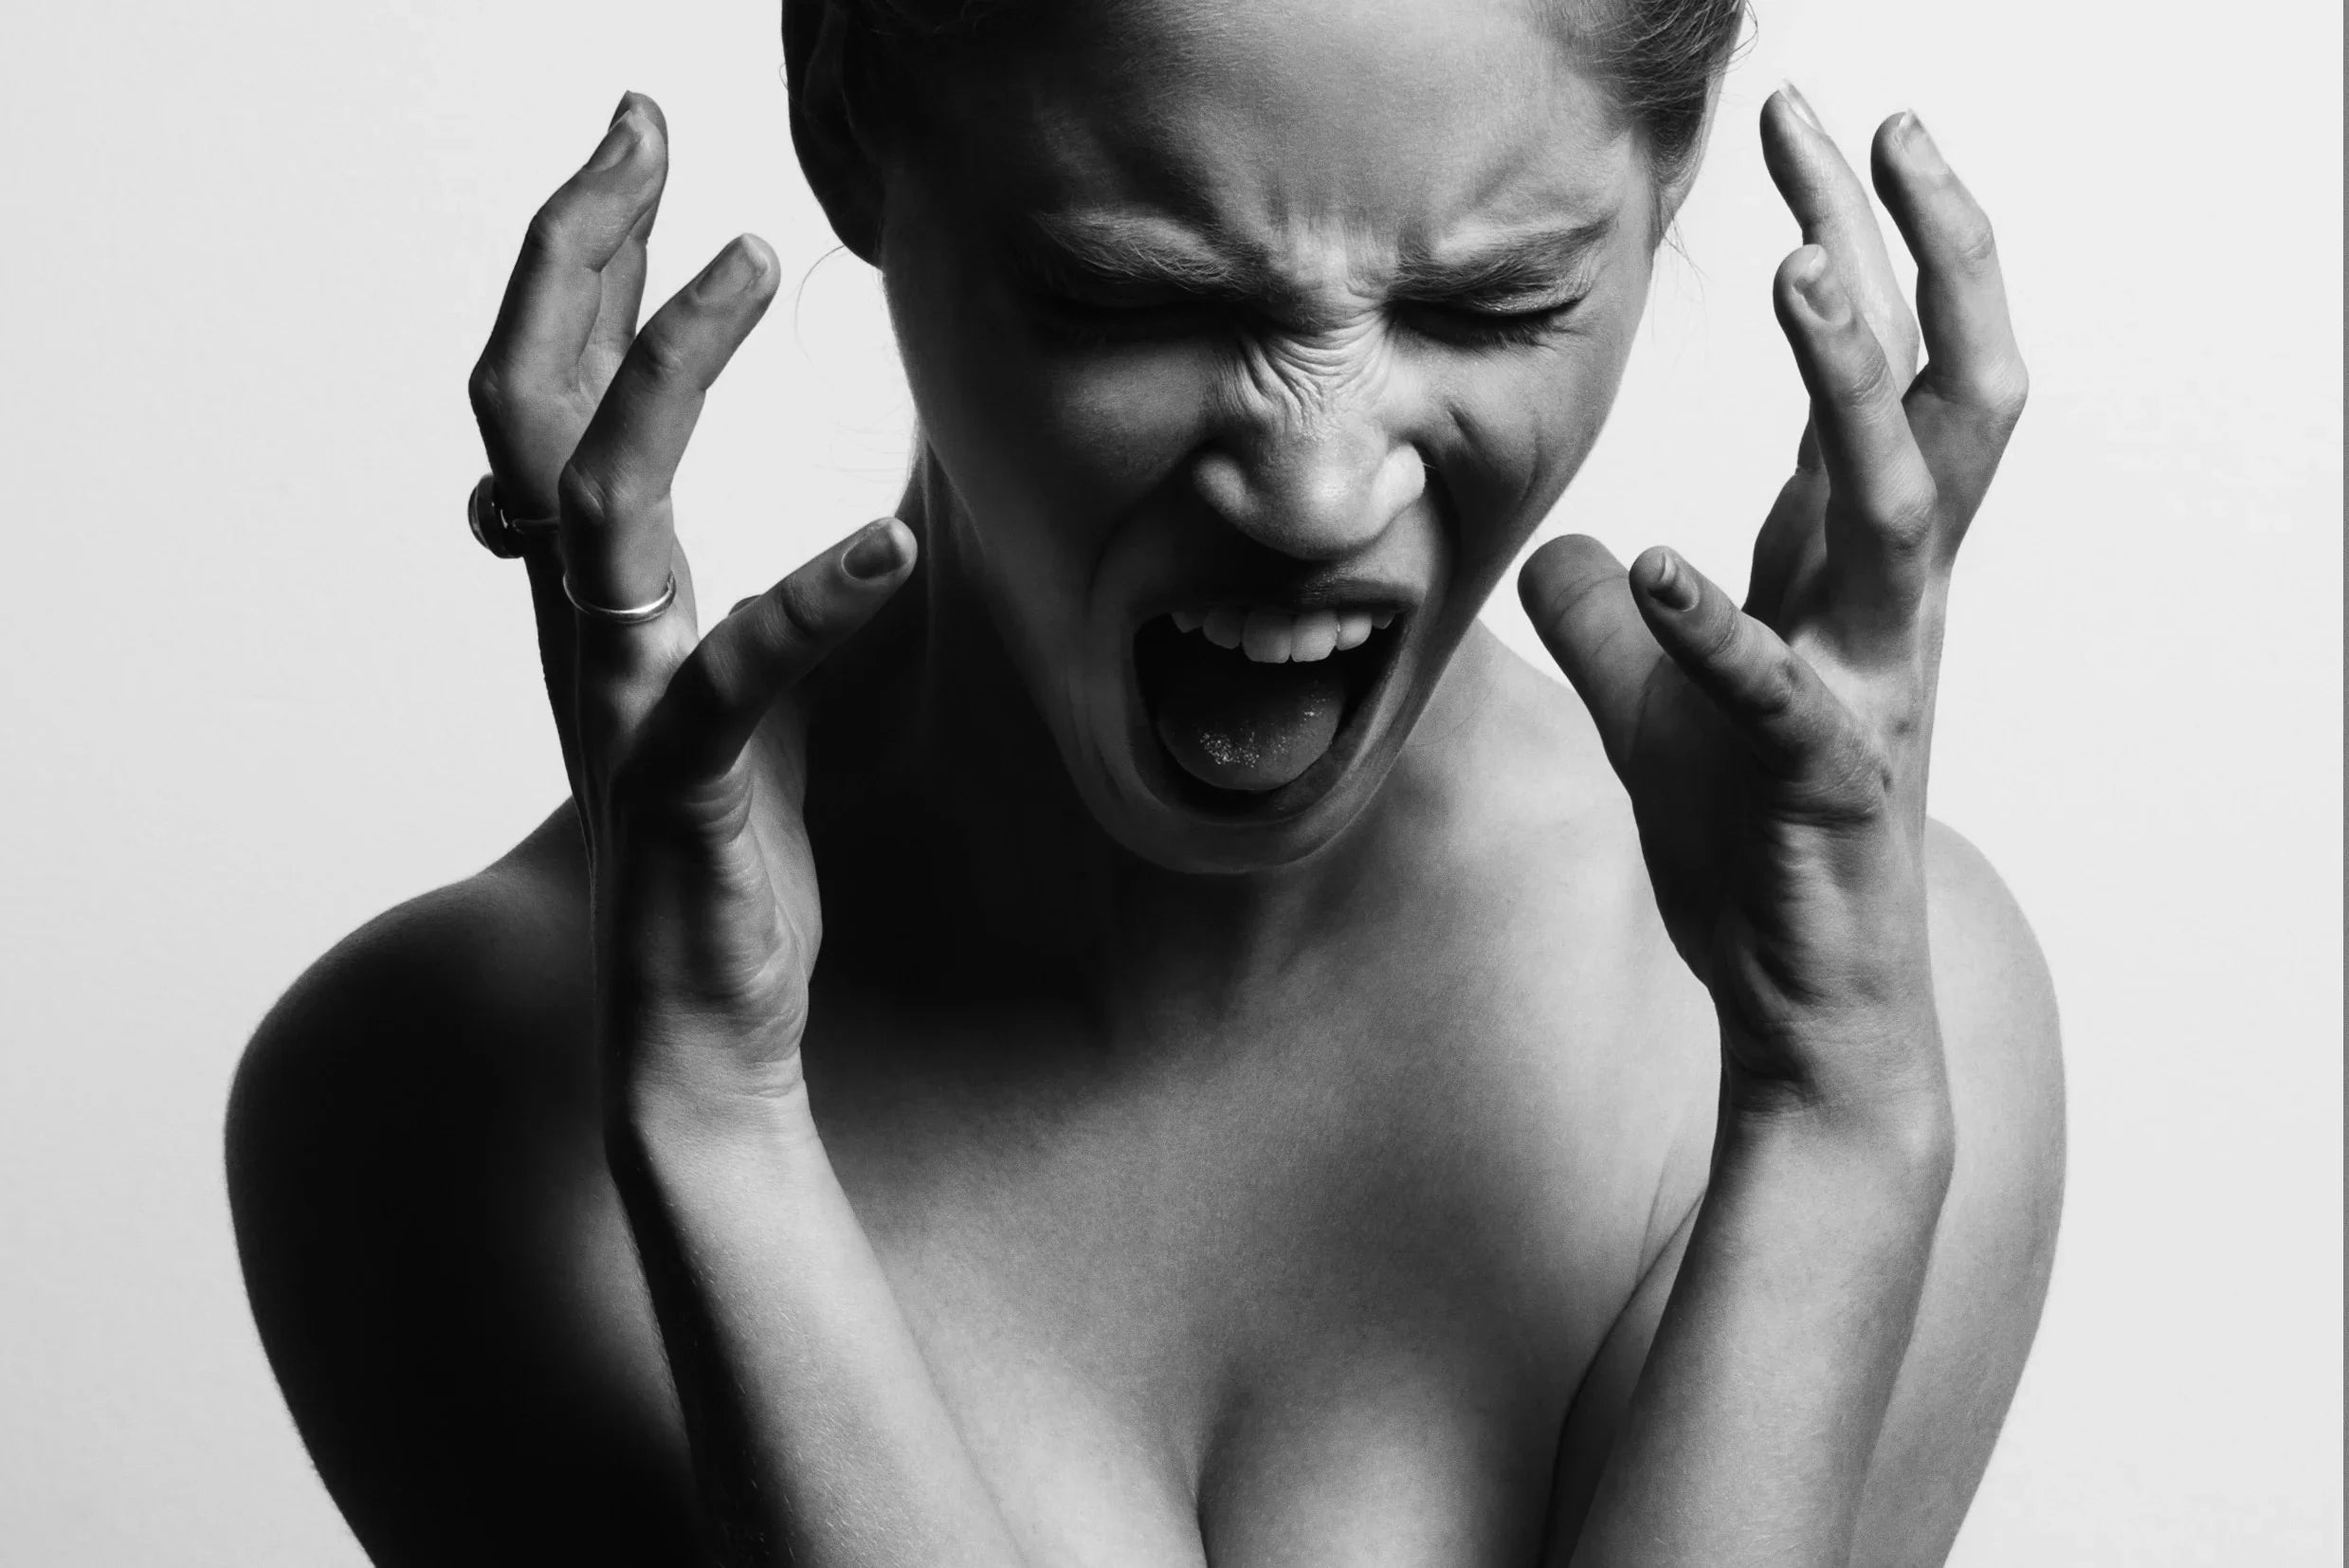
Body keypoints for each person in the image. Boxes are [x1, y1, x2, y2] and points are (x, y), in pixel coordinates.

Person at [226, 0, 2064, 1562]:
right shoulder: (443, 1093)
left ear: (1671, 188)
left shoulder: (1881, 1028)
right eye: (1138, 298)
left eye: (1494, 304)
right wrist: (719, 1125)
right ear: (851, 133)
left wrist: (1831, 1114)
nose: (1322, 489)